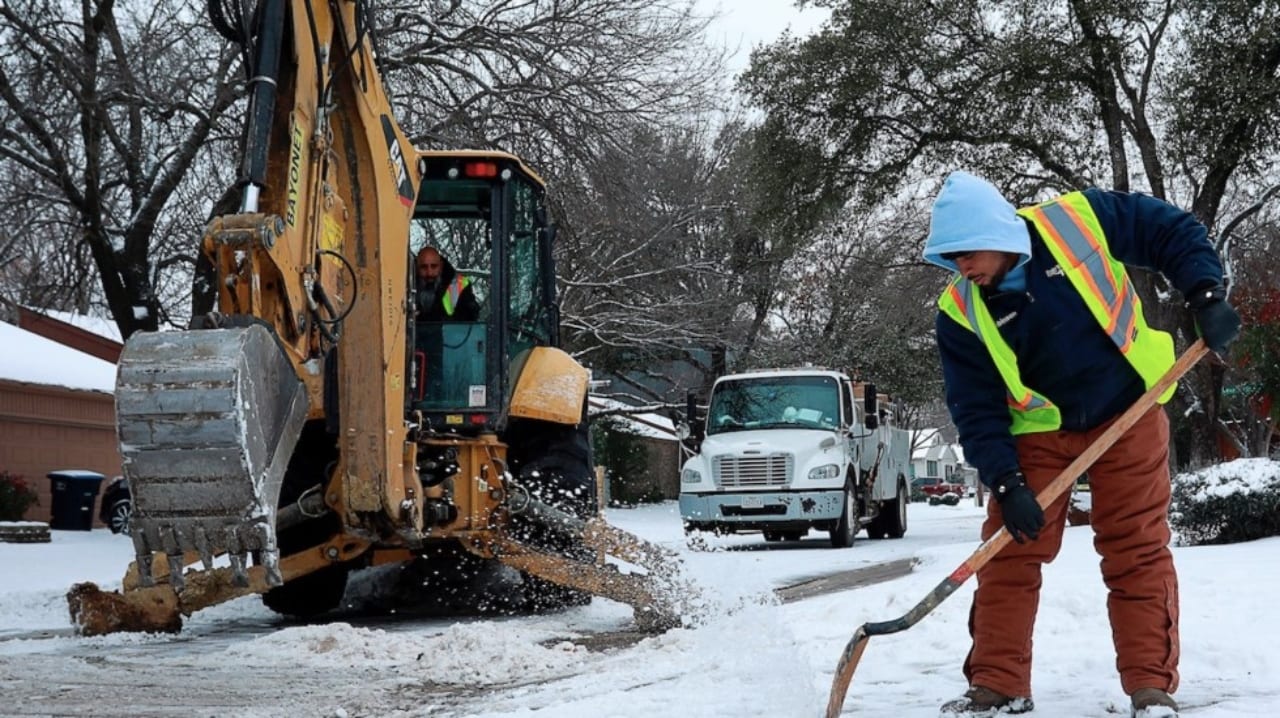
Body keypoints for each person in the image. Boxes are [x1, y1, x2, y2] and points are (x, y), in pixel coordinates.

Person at [920, 171, 1240, 718]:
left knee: (1136, 550)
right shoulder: (960, 313)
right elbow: (975, 410)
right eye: (950, 260)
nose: (961, 269)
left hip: (1130, 409)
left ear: (995, 231)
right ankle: (998, 685)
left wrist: (1205, 293)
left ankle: (1150, 687)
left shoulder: (1078, 220)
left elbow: (1172, 231)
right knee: (1008, 552)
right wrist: (1006, 481)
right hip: (1039, 433)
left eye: (966, 253)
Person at [414, 246, 479, 322]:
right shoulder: (404, 286)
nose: (429, 273)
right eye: (423, 267)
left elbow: (470, 320)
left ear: (441, 266)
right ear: (416, 268)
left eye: (434, 266)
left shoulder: (459, 285)